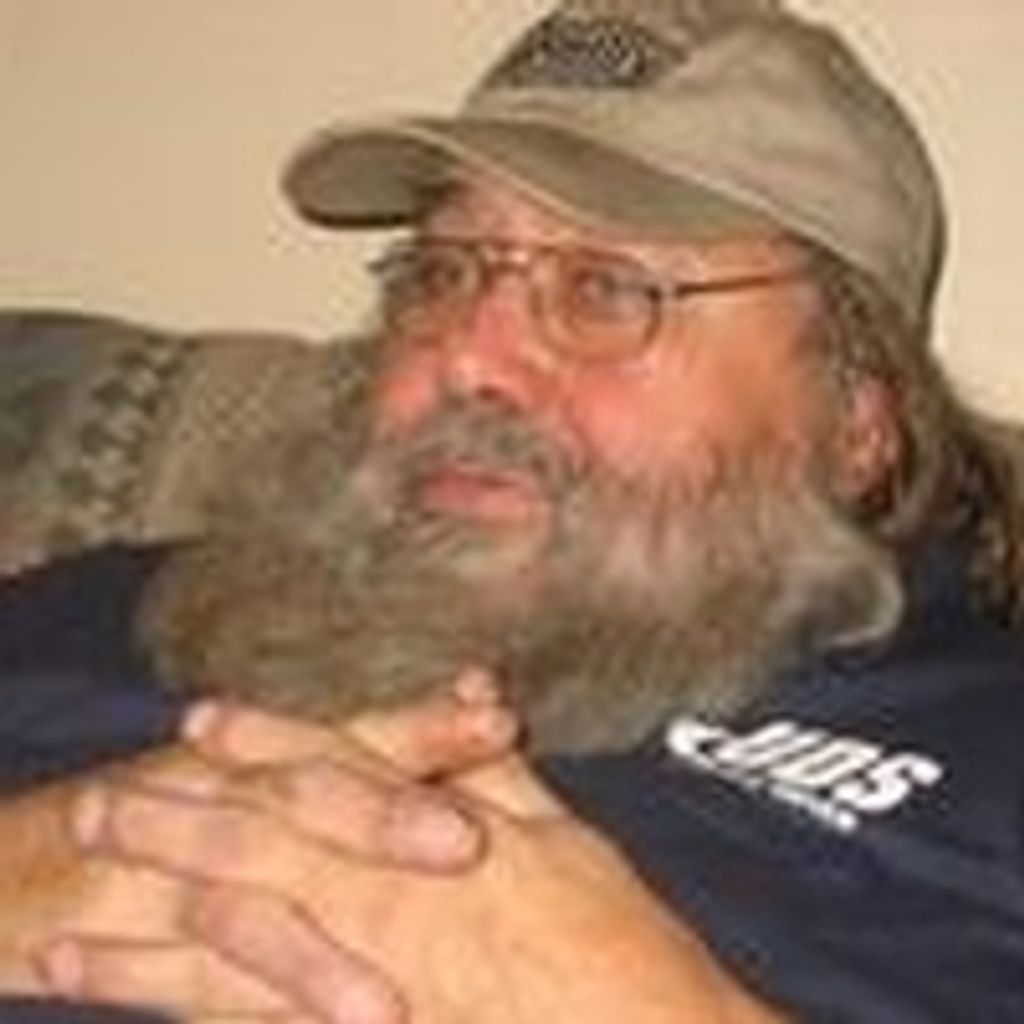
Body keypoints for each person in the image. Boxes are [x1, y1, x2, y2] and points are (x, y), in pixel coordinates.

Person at [2, 0, 1024, 1021]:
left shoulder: (990, 768)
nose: (466, 359)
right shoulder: (116, 608)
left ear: (856, 425)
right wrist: (40, 865)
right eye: (442, 272)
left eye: (605, 289)